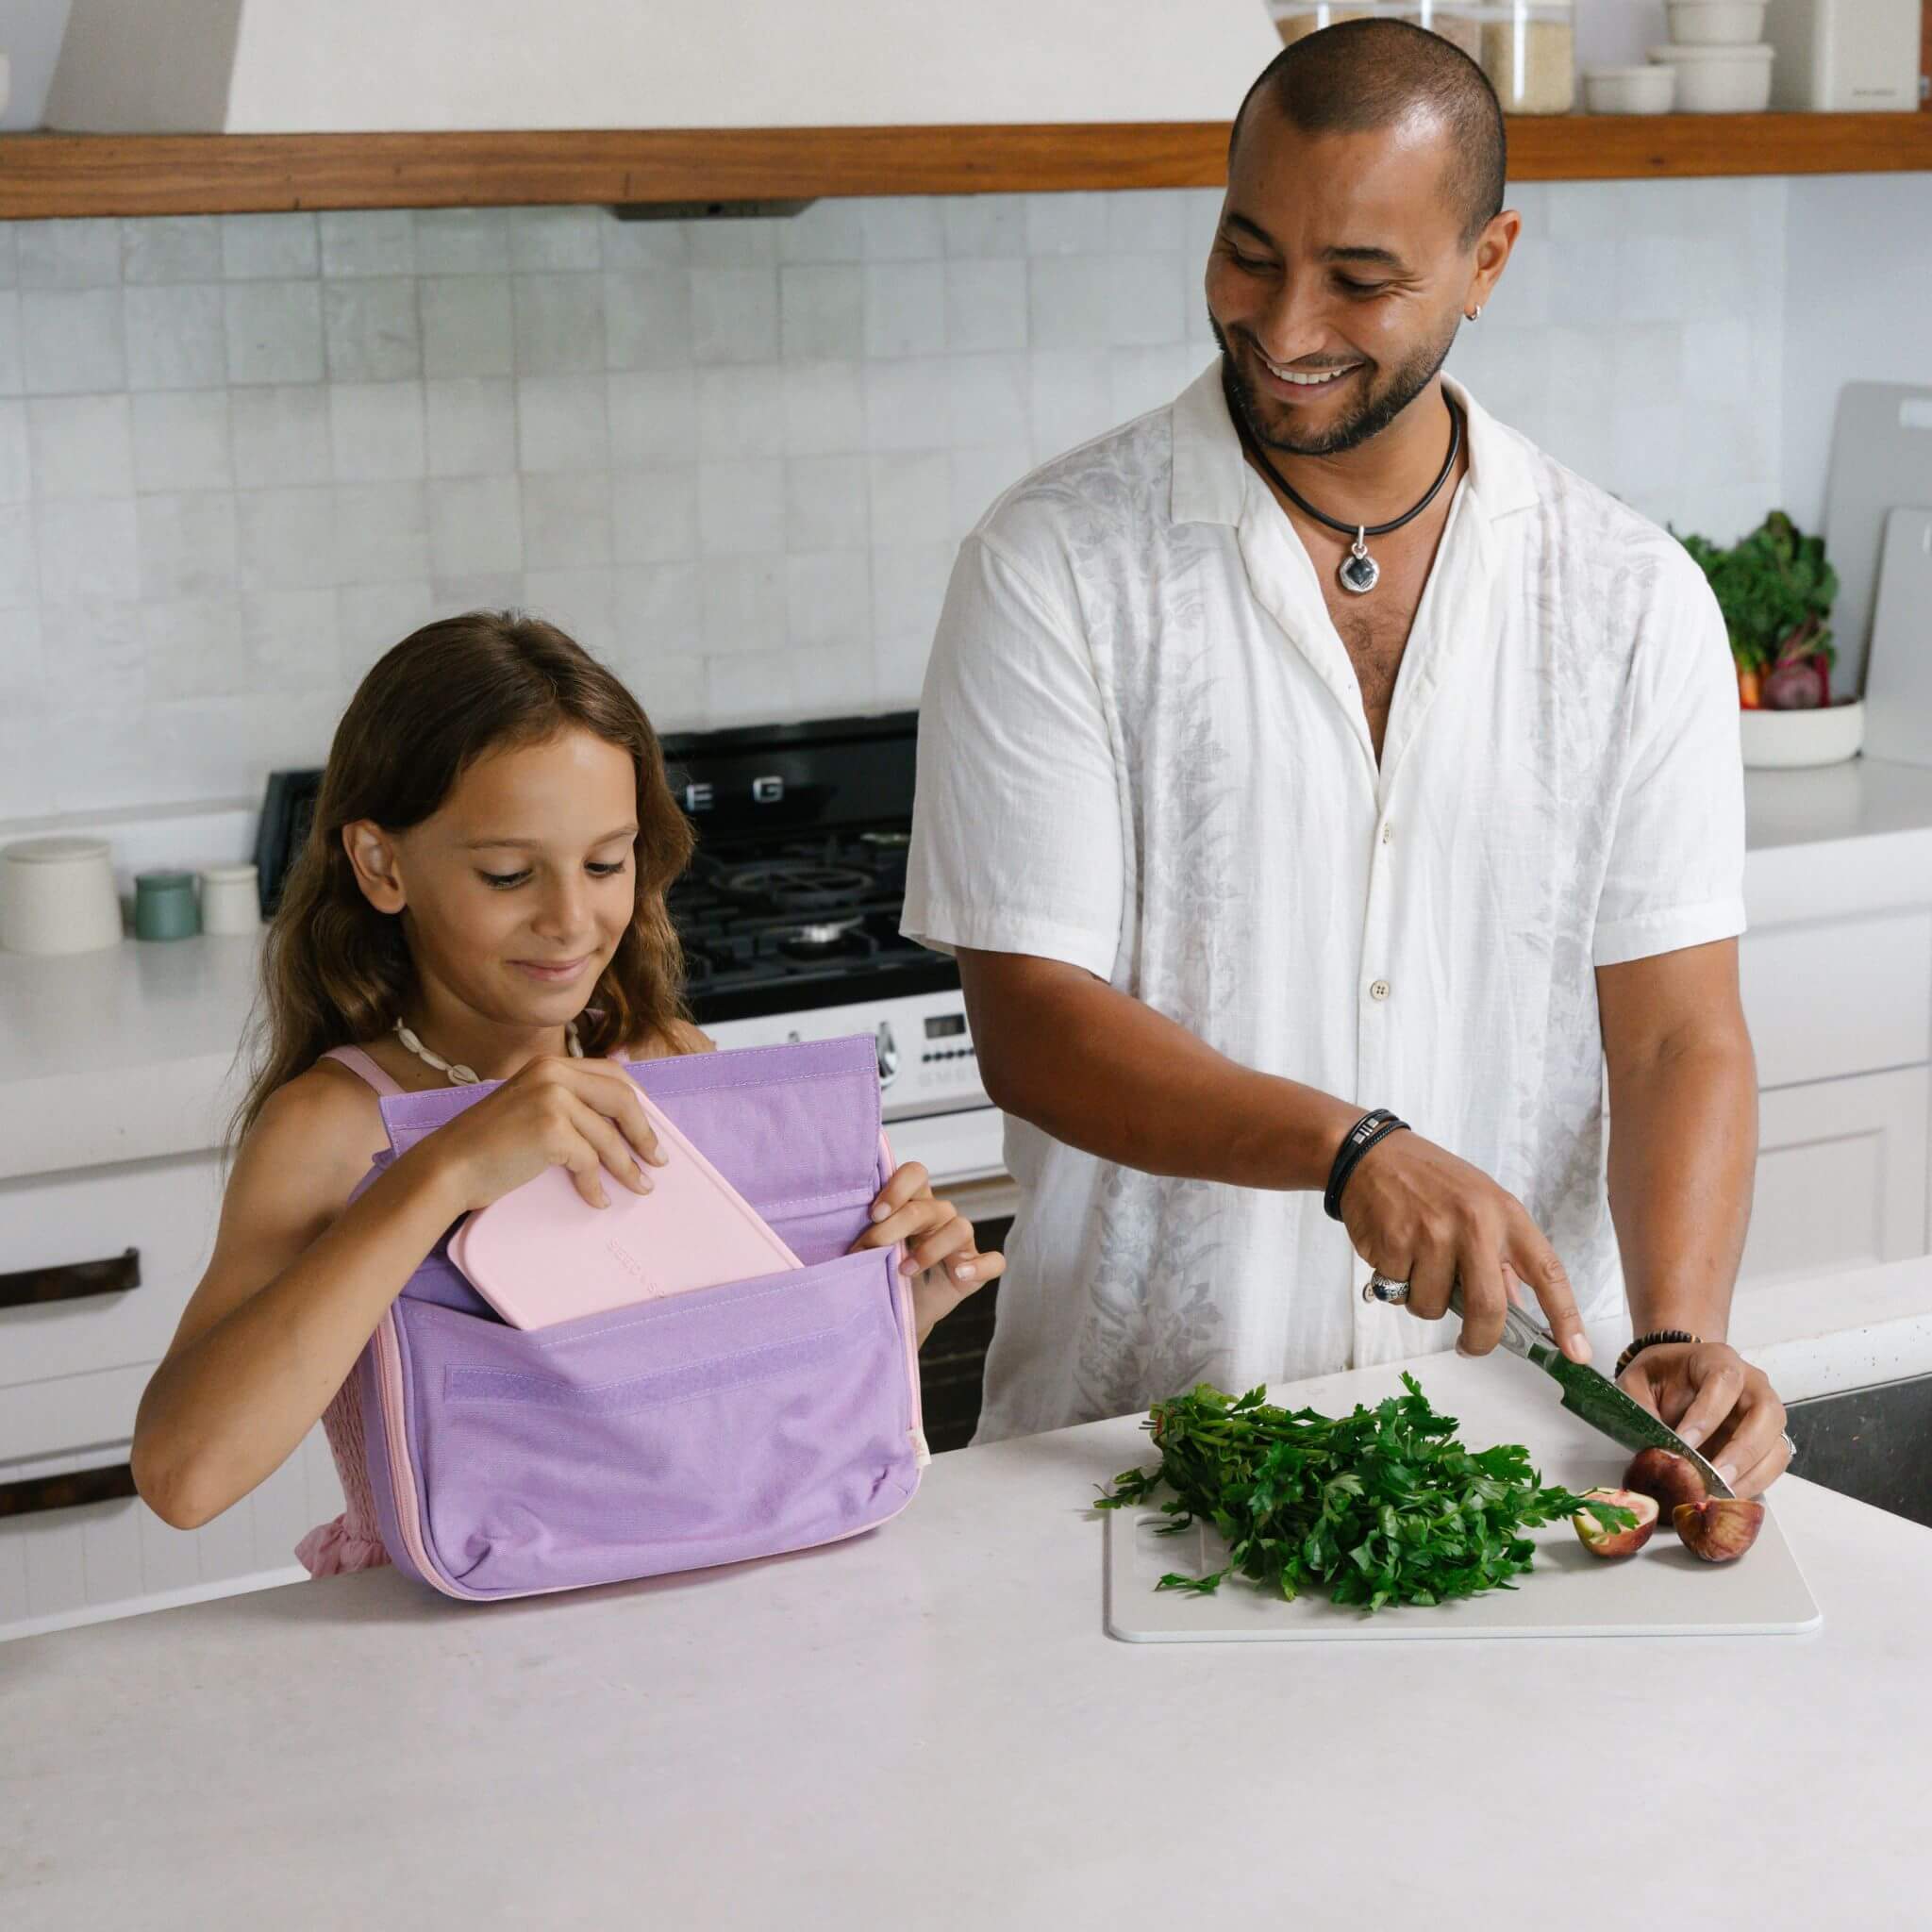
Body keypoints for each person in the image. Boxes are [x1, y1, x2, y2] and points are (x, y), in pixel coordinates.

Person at [902, 21, 1791, 1494]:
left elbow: (1677, 1033)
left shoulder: (1632, 598)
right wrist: (1350, 1148)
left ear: (1488, 262)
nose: (1286, 320)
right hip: (1128, 1460)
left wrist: (1682, 1327)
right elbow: (1035, 1022)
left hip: (1511, 1460)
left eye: (1362, 279)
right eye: (1250, 253)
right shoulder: (1053, 566)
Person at [132, 611, 1001, 1570]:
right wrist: (444, 1168)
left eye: (605, 861)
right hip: (448, 1656)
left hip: (678, 1616)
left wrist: (883, 1307)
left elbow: (719, 1417)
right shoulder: (333, 1124)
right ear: (382, 864)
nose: (571, 917)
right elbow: (184, 1477)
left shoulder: (664, 1061)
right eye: (509, 873)